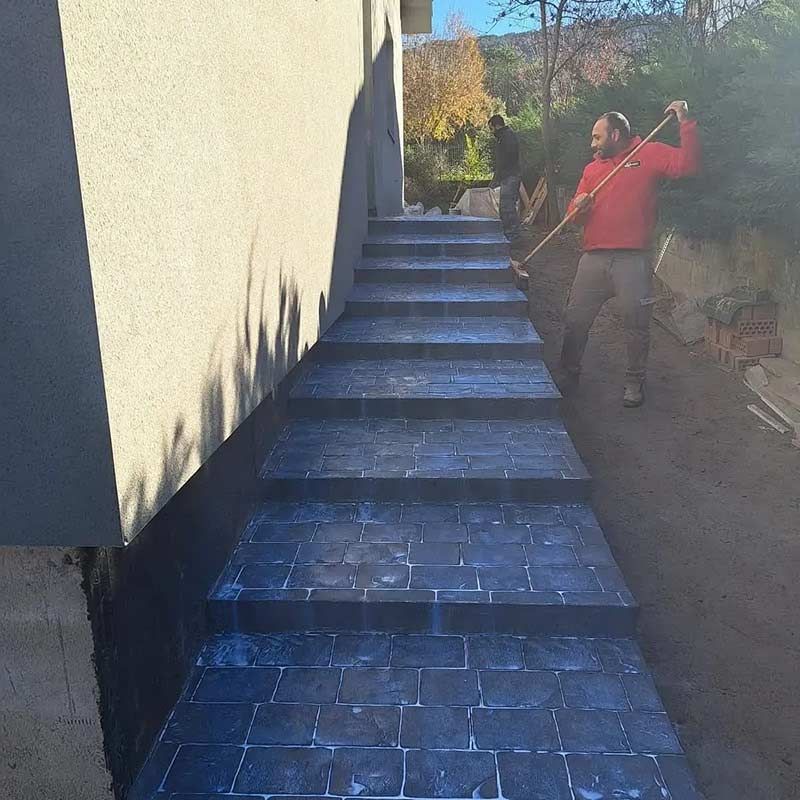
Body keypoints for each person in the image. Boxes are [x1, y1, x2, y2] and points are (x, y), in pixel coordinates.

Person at [560, 100, 700, 407]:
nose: (591, 143)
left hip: (632, 260)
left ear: (615, 135)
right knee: (575, 319)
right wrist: (577, 207)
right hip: (593, 258)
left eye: (597, 136)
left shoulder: (648, 153)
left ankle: (634, 382)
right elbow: (573, 218)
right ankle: (568, 373)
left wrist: (684, 122)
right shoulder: (592, 169)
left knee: (636, 325)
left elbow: (686, 165)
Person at [488, 114, 522, 241]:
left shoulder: (507, 137)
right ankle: (510, 235)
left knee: (507, 208)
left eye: (491, 129)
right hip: (508, 176)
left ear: (497, 126)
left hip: (510, 176)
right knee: (506, 207)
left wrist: (496, 178)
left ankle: (513, 237)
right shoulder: (505, 137)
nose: (492, 132)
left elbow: (505, 160)